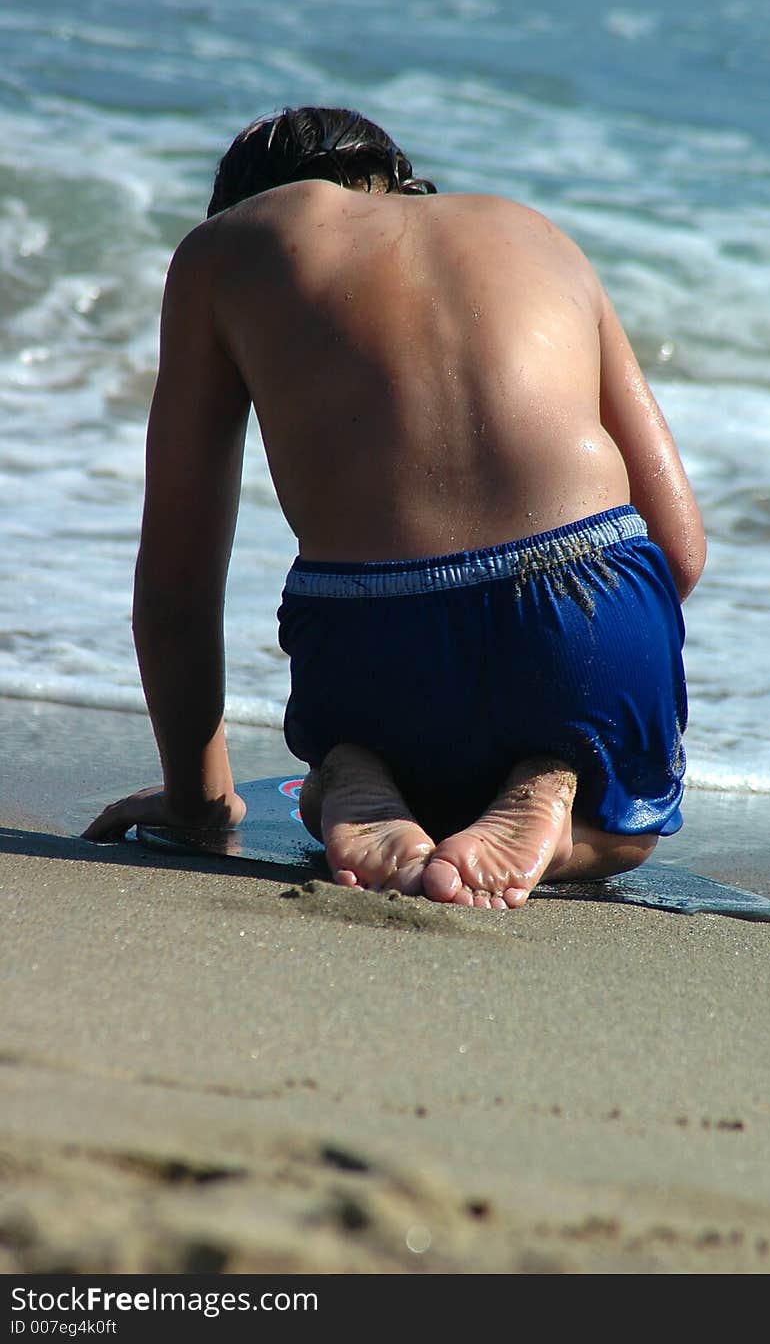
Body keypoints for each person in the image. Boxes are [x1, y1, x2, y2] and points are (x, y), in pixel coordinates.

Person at [84, 105, 706, 910]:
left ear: (242, 199)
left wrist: (196, 804)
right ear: (396, 178)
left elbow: (176, 581)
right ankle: (554, 798)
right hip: (589, 609)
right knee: (630, 826)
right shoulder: (532, 230)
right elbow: (679, 550)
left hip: (373, 640)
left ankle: (350, 772)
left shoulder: (226, 249)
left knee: (330, 773)